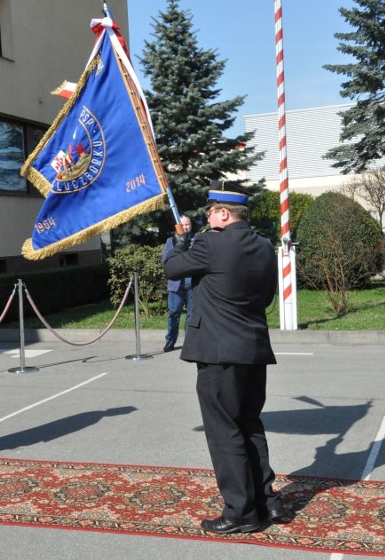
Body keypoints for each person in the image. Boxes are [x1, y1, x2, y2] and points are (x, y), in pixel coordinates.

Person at [163, 180, 282, 535]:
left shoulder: (211, 243)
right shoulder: (264, 246)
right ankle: (267, 503)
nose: (207, 217)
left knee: (224, 431)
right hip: (253, 348)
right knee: (250, 425)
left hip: (218, 353)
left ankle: (240, 512)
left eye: (210, 211)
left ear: (224, 213)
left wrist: (180, 238)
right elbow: (267, 297)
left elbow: (172, 268)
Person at [161, 214, 194, 352]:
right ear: (178, 226)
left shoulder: (197, 240)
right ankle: (170, 341)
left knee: (192, 315)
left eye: (187, 224)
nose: (185, 227)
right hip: (177, 283)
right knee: (174, 313)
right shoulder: (171, 241)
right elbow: (166, 260)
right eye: (183, 224)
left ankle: (190, 342)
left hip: (193, 282)